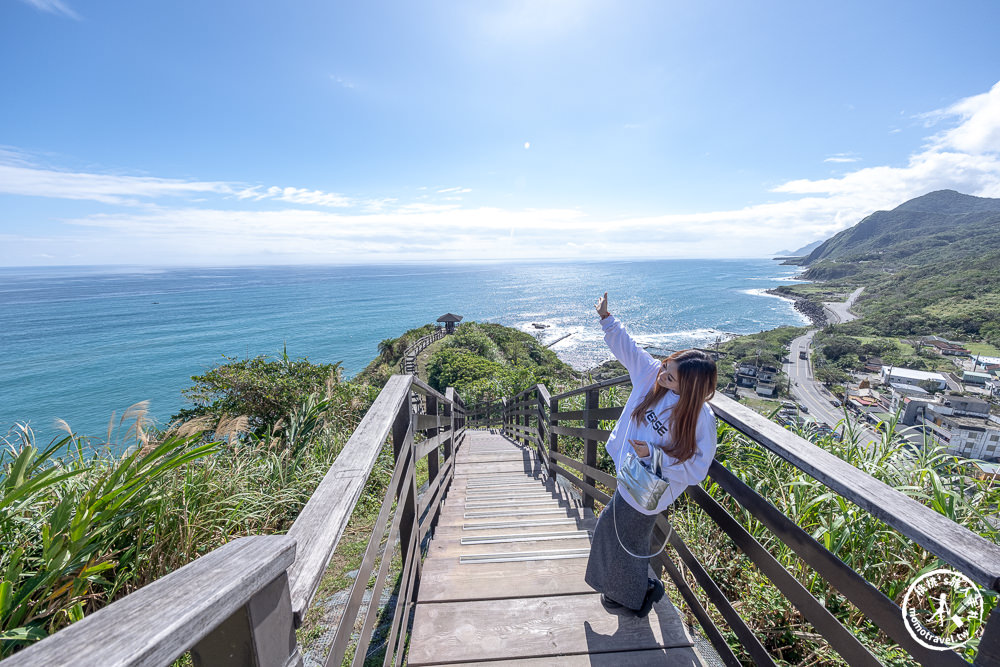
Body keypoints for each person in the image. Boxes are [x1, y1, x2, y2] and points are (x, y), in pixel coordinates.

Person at [584, 292, 718, 617]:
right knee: (620, 537)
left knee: (623, 540)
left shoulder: (701, 418)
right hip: (629, 475)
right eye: (666, 367)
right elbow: (628, 347)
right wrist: (606, 318)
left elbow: (697, 468)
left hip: (649, 490)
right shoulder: (650, 376)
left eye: (670, 376)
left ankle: (639, 594)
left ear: (689, 386)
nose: (662, 375)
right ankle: (626, 591)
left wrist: (654, 454)